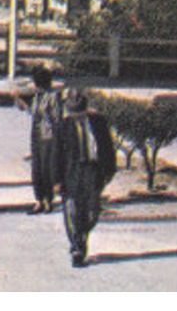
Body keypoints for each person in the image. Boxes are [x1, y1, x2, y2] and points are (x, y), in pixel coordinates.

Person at [58, 88, 117, 267]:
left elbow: (108, 147)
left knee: (92, 212)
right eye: (73, 112)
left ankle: (80, 237)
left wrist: (109, 171)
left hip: (93, 170)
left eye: (79, 112)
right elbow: (57, 155)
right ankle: (78, 248)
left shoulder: (98, 122)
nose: (76, 116)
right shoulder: (63, 126)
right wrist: (56, 180)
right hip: (72, 172)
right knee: (73, 210)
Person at [20, 66, 65, 214]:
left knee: (47, 168)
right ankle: (39, 199)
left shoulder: (53, 97)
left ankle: (47, 200)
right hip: (37, 134)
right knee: (37, 168)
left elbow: (56, 118)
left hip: (49, 135)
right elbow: (32, 112)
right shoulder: (37, 97)